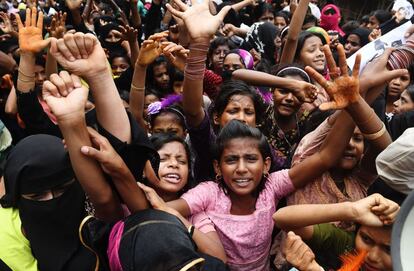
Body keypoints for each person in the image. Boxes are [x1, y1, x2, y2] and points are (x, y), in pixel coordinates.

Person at [275, 193, 400, 270]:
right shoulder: (347, 244)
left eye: (389, 249)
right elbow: (280, 218)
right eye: (366, 239)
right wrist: (352, 210)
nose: (372, 256)